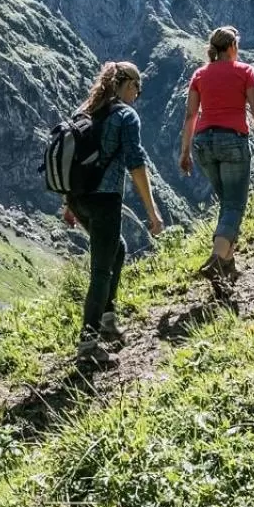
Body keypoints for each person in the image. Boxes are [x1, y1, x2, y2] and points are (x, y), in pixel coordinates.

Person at [61, 60, 163, 366]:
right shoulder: (126, 116)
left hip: (78, 198)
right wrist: (152, 212)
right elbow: (135, 163)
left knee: (117, 249)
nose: (137, 95)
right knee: (101, 271)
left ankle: (106, 320)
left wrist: (68, 204)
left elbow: (73, 160)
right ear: (128, 84)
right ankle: (88, 344)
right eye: (137, 89)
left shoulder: (86, 111)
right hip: (104, 200)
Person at [178, 26, 254, 282]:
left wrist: (185, 152)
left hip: (203, 144)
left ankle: (228, 265)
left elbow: (190, 115)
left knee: (227, 203)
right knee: (234, 205)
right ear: (232, 46)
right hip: (232, 141)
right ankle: (217, 259)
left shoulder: (200, 74)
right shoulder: (244, 71)